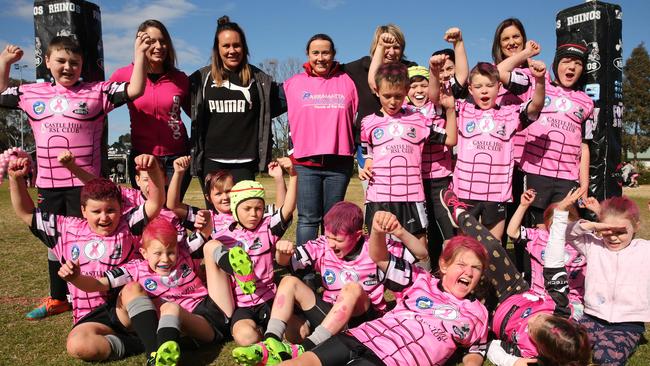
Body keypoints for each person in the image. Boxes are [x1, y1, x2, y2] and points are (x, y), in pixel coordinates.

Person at [0, 34, 150, 320]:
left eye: (75, 62)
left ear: (82, 66)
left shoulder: (96, 92)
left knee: (97, 238)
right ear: (47, 61)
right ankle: (59, 297)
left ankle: (101, 293)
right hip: (48, 185)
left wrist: (139, 54)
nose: (68, 67)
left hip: (86, 186)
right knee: (54, 241)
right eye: (61, 61)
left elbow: (135, 88)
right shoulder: (32, 93)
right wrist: (5, 62)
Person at [7, 154, 166, 361]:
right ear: (83, 210)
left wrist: (153, 170)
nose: (104, 217)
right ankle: (136, 343)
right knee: (78, 345)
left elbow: (155, 201)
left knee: (132, 288)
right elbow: (26, 212)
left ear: (121, 209)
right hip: (90, 316)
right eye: (96, 211)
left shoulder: (128, 224)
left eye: (111, 210)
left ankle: (154, 354)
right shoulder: (66, 229)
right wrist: (15, 179)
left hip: (123, 308)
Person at [231, 205, 428, 365]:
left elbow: (421, 254)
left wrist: (400, 232)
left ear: (358, 235)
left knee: (352, 288)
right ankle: (271, 343)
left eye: (338, 240)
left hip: (361, 321)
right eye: (329, 237)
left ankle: (305, 348)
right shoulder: (323, 245)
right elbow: (286, 263)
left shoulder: (375, 248)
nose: (331, 244)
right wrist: (282, 253)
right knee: (288, 281)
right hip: (328, 319)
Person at [280, 218, 489, 366]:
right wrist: (379, 231)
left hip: (394, 360)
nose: (468, 273)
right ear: (444, 265)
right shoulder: (420, 281)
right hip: (361, 336)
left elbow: (475, 351)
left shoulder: (477, 313)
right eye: (461, 264)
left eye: (476, 268)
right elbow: (381, 259)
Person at [440, 187, 591, 365]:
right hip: (514, 290)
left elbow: (492, 346)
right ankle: (460, 213)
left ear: (540, 347)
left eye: (534, 325)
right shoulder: (561, 308)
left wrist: (513, 362)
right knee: (493, 248)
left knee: (456, 298)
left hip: (491, 314)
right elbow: (554, 262)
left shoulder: (527, 354)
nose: (534, 318)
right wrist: (559, 217)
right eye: (544, 316)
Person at [58, 217, 228, 366]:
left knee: (171, 308)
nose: (165, 259)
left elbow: (205, 232)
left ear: (177, 249)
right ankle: (154, 349)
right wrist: (75, 278)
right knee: (80, 344)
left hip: (201, 320)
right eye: (157, 253)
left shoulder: (184, 252)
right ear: (144, 253)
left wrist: (204, 219)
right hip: (161, 326)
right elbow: (97, 284)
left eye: (171, 252)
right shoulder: (135, 269)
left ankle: (156, 353)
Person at [359, 43, 456, 251]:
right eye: (387, 96)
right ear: (377, 92)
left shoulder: (418, 120)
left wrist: (450, 111)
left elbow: (450, 140)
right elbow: (368, 151)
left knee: (419, 248)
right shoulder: (368, 122)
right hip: (379, 196)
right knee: (379, 246)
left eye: (398, 96)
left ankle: (421, 282)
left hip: (412, 196)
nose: (393, 101)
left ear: (405, 92)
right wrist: (367, 163)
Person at [202, 158, 298, 346]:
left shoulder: (267, 227)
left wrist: (292, 176)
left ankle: (269, 333)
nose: (254, 214)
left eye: (258, 209)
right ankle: (262, 333)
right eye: (247, 209)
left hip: (270, 298)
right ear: (236, 209)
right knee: (245, 337)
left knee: (298, 332)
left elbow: (286, 208)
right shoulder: (223, 235)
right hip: (242, 304)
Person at [189, 15, 286, 199]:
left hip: (245, 163)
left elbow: (281, 103)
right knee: (217, 221)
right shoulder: (201, 79)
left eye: (237, 45)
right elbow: (188, 108)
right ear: (217, 49)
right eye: (226, 46)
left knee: (246, 218)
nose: (232, 50)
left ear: (245, 48)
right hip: (212, 162)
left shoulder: (259, 80)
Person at [452, 61, 546, 241]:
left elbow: (535, 106)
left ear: (499, 87)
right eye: (478, 86)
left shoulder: (510, 113)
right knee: (464, 246)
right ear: (470, 90)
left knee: (494, 248)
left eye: (489, 85)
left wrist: (539, 80)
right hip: (464, 191)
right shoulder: (463, 109)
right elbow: (438, 99)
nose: (484, 90)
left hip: (496, 193)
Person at [284, 33, 358, 247]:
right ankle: (305, 271)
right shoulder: (293, 84)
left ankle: (330, 270)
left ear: (333, 54)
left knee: (333, 222)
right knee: (308, 219)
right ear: (308, 55)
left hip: (339, 163)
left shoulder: (348, 82)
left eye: (325, 52)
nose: (320, 57)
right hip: (306, 164)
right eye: (315, 52)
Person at [110, 19, 193, 199]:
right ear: (139, 44)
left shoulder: (180, 78)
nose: (158, 46)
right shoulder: (123, 75)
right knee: (148, 215)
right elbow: (100, 105)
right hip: (143, 157)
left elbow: (196, 115)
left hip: (177, 158)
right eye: (151, 41)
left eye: (163, 41)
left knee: (172, 212)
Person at [566, 195, 650, 365]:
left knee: (604, 357)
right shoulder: (593, 246)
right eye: (607, 230)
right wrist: (596, 223)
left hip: (627, 325)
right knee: (564, 345)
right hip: (591, 318)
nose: (613, 238)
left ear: (636, 227)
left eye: (620, 232)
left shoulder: (644, 250)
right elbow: (568, 233)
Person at [519, 43, 594, 224]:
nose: (571, 67)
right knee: (535, 231)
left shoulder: (587, 102)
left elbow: (584, 146)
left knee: (561, 230)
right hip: (535, 172)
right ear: (556, 64)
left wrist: (584, 184)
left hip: (567, 178)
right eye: (566, 61)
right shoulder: (539, 87)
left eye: (578, 63)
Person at [342, 24, 417, 191]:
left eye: (396, 47)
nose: (391, 51)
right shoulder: (359, 67)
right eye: (385, 46)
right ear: (376, 46)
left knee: (403, 192)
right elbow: (372, 80)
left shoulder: (409, 68)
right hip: (369, 144)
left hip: (402, 140)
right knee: (375, 193)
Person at [506, 189, 586, 319]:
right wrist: (523, 206)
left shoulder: (584, 242)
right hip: (538, 297)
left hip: (571, 301)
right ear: (548, 225)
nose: (560, 230)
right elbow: (512, 232)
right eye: (555, 225)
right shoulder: (539, 237)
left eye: (566, 225)